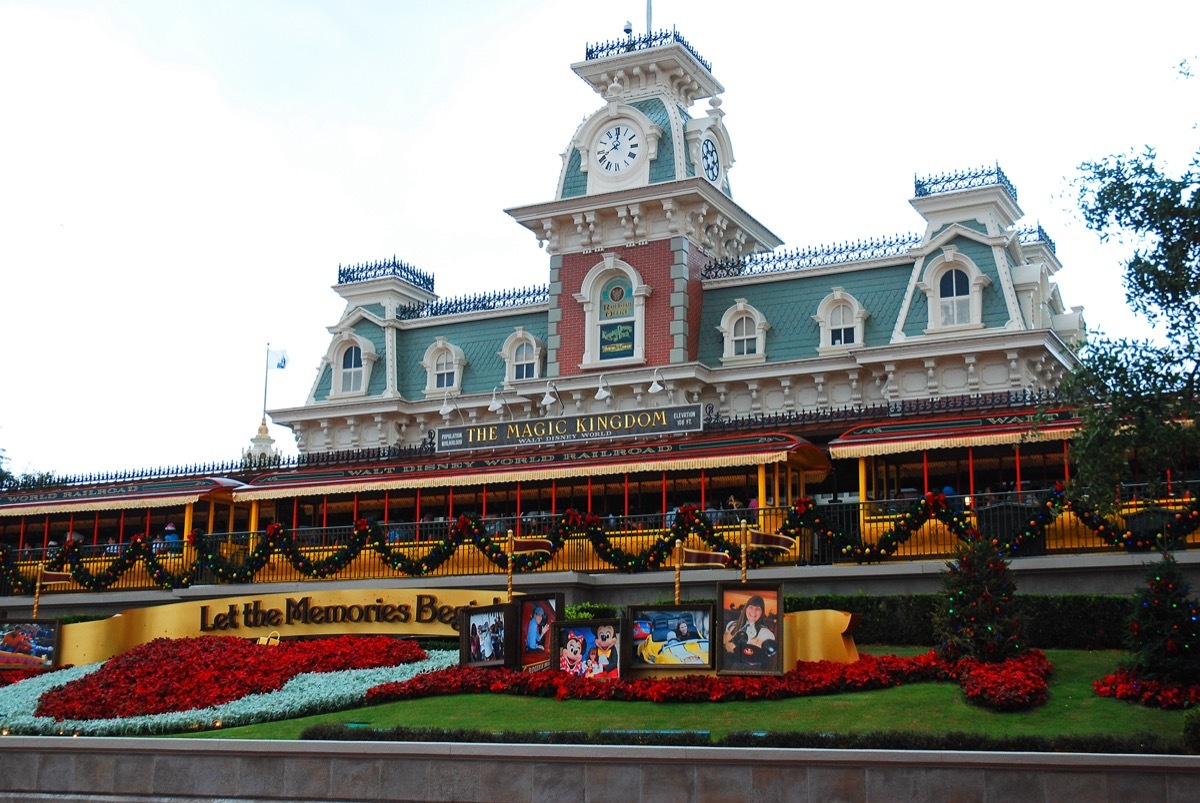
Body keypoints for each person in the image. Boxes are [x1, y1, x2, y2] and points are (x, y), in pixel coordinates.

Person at [723, 595, 776, 670]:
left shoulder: (766, 633)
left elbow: (768, 658)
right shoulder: (731, 625)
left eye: (758, 608)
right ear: (745, 608)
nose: (753, 611)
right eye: (751, 606)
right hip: (728, 667)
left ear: (762, 613)